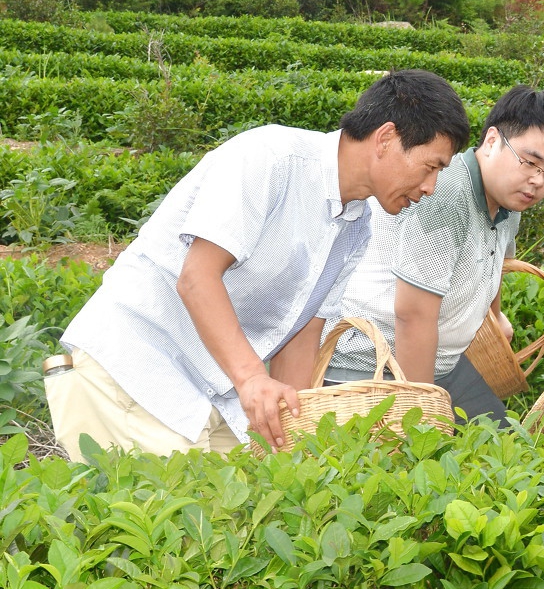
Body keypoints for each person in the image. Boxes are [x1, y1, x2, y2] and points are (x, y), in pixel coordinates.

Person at [47, 70, 471, 461]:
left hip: (212, 392)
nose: (431, 187)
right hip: (135, 371)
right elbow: (196, 278)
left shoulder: (357, 223)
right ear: (385, 138)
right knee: (173, 529)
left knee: (238, 512)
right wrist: (252, 380)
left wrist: (296, 431)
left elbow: (303, 333)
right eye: (431, 166)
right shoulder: (271, 157)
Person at [324, 85, 544, 423]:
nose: (537, 181)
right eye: (529, 162)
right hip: (373, 362)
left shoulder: (510, 200)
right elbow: (412, 315)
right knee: (428, 453)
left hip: (445, 361)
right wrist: (421, 414)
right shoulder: (446, 195)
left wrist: (495, 315)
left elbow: (495, 261)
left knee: (506, 453)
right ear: (491, 141)